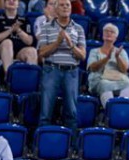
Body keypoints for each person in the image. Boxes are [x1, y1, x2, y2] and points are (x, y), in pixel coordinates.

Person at [37, 0, 85, 132]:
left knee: (71, 112)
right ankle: (42, 146)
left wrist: (70, 44)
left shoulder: (78, 28)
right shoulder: (46, 27)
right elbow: (42, 53)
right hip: (51, 70)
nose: (65, 7)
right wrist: (57, 43)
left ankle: (71, 149)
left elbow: (82, 55)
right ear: (56, 9)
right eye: (62, 5)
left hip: (71, 72)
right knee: (45, 112)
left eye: (67, 5)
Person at [87, 23, 129, 107]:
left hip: (117, 79)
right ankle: (111, 111)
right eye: (106, 31)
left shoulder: (121, 52)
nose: (108, 33)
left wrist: (117, 57)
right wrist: (107, 58)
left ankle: (123, 109)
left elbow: (124, 69)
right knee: (105, 84)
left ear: (116, 37)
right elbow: (92, 68)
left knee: (128, 83)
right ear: (102, 34)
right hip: (99, 79)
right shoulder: (94, 51)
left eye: (112, 32)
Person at [0, 0, 37, 75]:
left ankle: (31, 80)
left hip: (19, 52)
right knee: (8, 43)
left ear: (18, 4)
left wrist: (18, 30)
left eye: (14, 0)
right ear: (4, 3)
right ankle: (8, 77)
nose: (11, 1)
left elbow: (30, 41)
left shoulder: (24, 20)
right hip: (1, 50)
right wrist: (10, 30)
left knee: (32, 51)